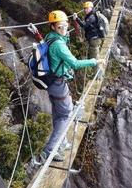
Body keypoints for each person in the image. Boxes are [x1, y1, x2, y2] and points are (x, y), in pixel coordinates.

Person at [41, 10, 105, 162]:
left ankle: (61, 142)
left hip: (52, 82)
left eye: (64, 26)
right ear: (53, 27)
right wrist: (95, 61)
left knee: (58, 114)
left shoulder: (49, 38)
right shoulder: (58, 45)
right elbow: (75, 64)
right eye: (59, 27)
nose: (63, 29)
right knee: (66, 114)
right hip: (58, 83)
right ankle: (50, 150)